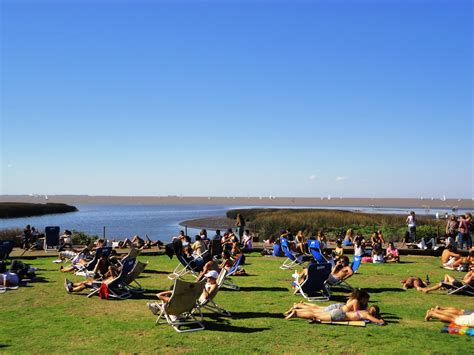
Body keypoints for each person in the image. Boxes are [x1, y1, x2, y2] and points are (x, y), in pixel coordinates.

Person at [284, 289, 370, 318]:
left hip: (338, 307)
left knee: (317, 309)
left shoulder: (352, 299)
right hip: (337, 308)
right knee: (316, 311)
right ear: (362, 298)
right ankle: (297, 309)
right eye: (366, 299)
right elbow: (356, 313)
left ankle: (299, 306)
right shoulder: (356, 301)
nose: (366, 301)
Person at [285, 304, 385, 325]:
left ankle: (297, 312)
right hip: (340, 316)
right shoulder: (367, 315)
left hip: (340, 312)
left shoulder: (363, 311)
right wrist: (380, 319)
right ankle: (297, 314)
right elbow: (379, 322)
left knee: (316, 313)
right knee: (316, 316)